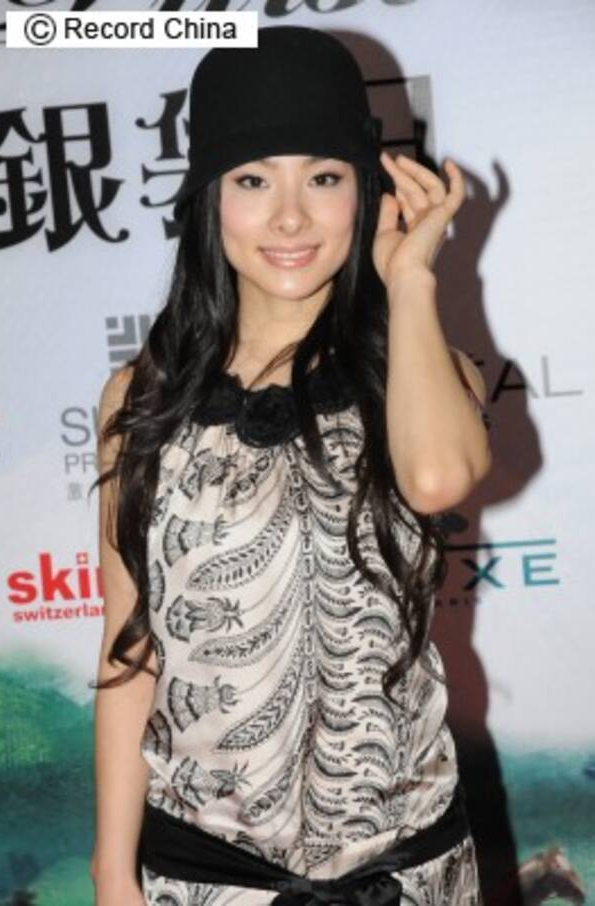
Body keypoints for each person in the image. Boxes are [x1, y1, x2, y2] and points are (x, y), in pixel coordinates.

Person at [89, 23, 492, 906]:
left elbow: (436, 480)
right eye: (251, 180)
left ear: (366, 190)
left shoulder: (423, 370)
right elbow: (130, 648)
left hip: (410, 874)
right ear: (208, 198)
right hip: (205, 880)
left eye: (323, 177)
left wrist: (411, 279)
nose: (289, 217)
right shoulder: (142, 398)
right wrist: (111, 870)